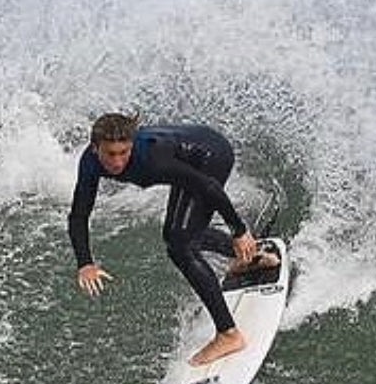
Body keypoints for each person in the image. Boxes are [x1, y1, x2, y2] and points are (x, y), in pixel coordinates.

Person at [67, 112, 277, 366]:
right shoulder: (90, 163)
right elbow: (79, 214)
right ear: (94, 147)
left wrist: (239, 230)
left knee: (180, 244)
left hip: (210, 155)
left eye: (124, 152)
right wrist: (85, 263)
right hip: (188, 153)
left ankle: (228, 334)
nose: (118, 161)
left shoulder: (152, 161)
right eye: (111, 154)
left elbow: (209, 187)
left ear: (132, 145)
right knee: (178, 234)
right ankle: (253, 257)